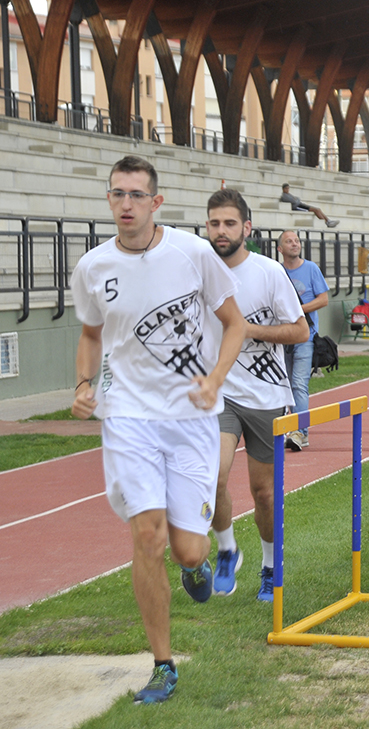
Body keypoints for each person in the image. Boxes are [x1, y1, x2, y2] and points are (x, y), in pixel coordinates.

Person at [70, 155, 246, 704]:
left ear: (156, 201)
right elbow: (92, 335)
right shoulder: (93, 267)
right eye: (117, 194)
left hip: (190, 417)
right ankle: (163, 664)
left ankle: (198, 564)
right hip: (127, 418)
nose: (126, 204)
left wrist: (216, 380)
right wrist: (82, 384)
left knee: (188, 552)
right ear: (109, 200)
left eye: (136, 195)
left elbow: (235, 324)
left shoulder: (192, 253)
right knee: (147, 535)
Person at [204, 190, 309, 603]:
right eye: (214, 223)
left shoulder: (267, 272)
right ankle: (228, 549)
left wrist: (249, 330)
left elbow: (300, 331)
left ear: (247, 228)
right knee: (212, 476)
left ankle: (269, 566)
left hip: (265, 395)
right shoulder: (199, 271)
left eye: (230, 223)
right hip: (220, 392)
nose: (222, 231)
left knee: (263, 492)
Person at [278, 230, 329, 451]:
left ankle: (301, 432)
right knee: (284, 385)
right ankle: (289, 427)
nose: (294, 244)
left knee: (299, 383)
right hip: (281, 337)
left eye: (297, 241)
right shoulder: (275, 271)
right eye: (289, 241)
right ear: (280, 248)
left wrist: (297, 309)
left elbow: (323, 299)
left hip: (305, 336)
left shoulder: (311, 269)